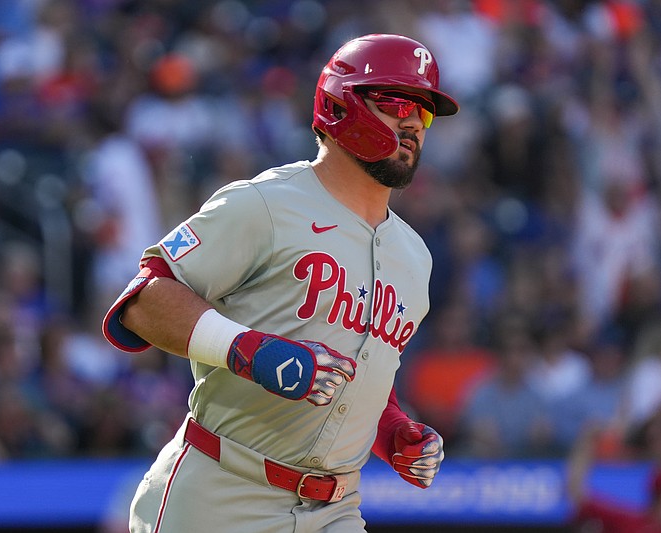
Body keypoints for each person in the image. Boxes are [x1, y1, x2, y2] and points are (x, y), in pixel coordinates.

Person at [102, 34, 459, 533]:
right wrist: (250, 350)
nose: (410, 123)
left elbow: (359, 372)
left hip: (336, 508)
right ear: (341, 104)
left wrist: (393, 429)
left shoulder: (415, 257)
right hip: (223, 491)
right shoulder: (264, 204)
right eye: (395, 102)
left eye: (422, 112)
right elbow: (143, 301)